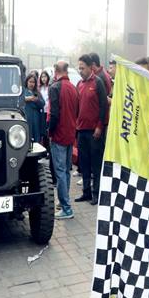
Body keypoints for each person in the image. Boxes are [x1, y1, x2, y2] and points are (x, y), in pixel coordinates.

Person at [48, 61, 79, 220]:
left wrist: (50, 131)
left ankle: (66, 208)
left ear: (55, 71)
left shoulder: (55, 88)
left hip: (59, 135)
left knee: (60, 172)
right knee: (65, 171)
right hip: (70, 134)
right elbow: (77, 111)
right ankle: (63, 201)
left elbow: (54, 114)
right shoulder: (73, 88)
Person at [76, 54, 108, 205]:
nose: (80, 71)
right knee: (84, 163)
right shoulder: (79, 84)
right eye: (79, 68)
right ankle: (86, 192)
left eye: (82, 68)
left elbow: (103, 106)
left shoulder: (98, 82)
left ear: (90, 67)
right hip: (81, 130)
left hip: (94, 132)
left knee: (96, 164)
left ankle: (96, 193)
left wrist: (99, 127)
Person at [22, 73, 45, 143]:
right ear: (27, 82)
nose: (32, 84)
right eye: (30, 82)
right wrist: (27, 99)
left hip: (36, 119)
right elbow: (18, 100)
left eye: (33, 82)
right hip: (27, 117)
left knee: (36, 137)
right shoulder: (23, 91)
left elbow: (42, 103)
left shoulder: (37, 92)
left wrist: (36, 100)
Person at [38, 71, 51, 145]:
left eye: (45, 76)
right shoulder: (39, 88)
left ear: (48, 78)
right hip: (41, 111)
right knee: (42, 129)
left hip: (48, 111)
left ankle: (47, 146)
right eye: (42, 77)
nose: (43, 78)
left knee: (47, 129)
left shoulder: (50, 87)